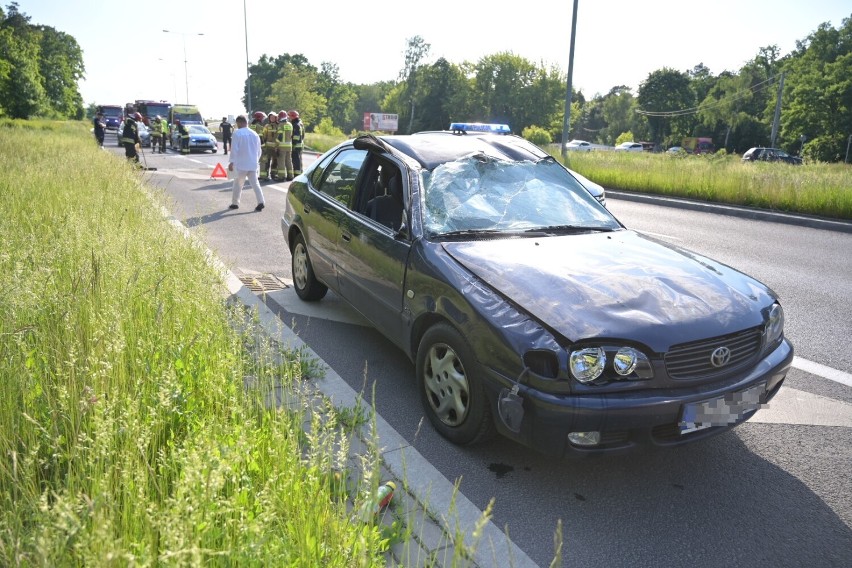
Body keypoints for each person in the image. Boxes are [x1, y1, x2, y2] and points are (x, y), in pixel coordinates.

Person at [227, 114, 265, 211]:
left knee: (238, 184)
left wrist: (231, 162)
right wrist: (256, 160)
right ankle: (261, 201)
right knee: (255, 184)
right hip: (253, 164)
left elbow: (234, 149)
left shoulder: (237, 133)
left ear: (239, 123)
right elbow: (259, 150)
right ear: (246, 122)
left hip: (241, 164)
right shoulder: (255, 134)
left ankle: (235, 203)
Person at [259, 111, 278, 180]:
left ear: (276, 118)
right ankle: (265, 175)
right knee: (267, 161)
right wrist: (263, 146)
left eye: (273, 117)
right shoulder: (266, 126)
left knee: (275, 161)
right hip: (268, 147)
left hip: (276, 147)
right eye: (270, 117)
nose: (272, 118)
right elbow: (263, 136)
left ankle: (273, 174)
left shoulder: (278, 126)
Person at [275, 110, 294, 181]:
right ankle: (290, 176)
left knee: (281, 161)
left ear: (280, 117)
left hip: (282, 147)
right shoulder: (290, 125)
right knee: (289, 161)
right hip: (289, 146)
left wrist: (276, 146)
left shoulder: (280, 125)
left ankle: (281, 177)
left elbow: (279, 136)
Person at [289, 110, 305, 177]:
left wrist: (293, 144)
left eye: (289, 117)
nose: (289, 118)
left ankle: (297, 174)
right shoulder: (300, 124)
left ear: (292, 117)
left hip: (296, 146)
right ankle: (300, 172)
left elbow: (295, 137)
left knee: (296, 160)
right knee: (299, 159)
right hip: (300, 144)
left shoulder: (295, 125)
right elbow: (303, 135)